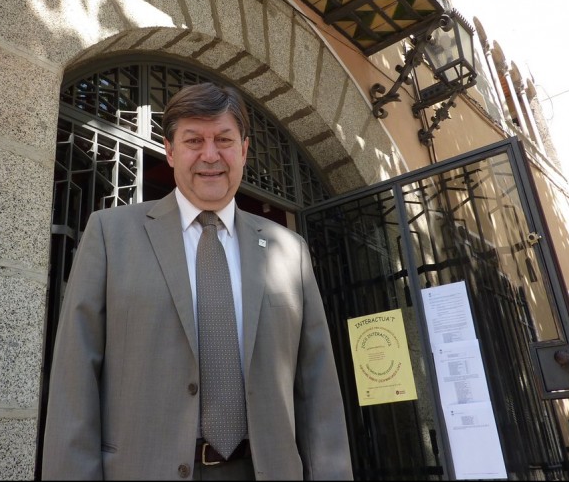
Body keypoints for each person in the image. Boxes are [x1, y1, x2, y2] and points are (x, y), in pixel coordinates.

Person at [42, 82, 352, 480]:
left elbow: (318, 385)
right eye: (193, 140)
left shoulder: (289, 249)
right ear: (170, 152)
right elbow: (74, 376)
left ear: (243, 150)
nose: (210, 155)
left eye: (223, 139)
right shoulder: (110, 234)